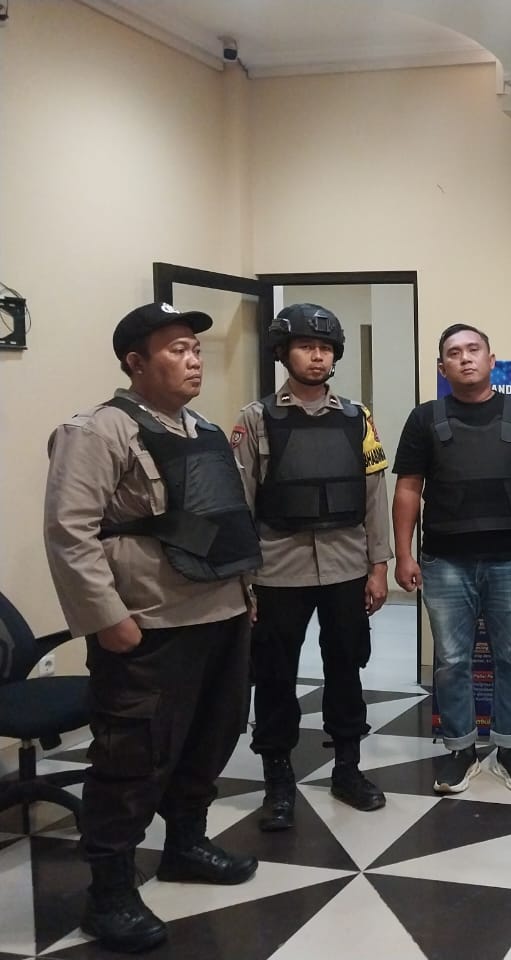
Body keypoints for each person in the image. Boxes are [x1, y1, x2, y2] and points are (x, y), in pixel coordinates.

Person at [43, 303, 262, 953]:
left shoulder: (205, 430)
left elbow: (225, 520)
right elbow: (70, 534)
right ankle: (109, 894)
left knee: (210, 739)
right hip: (149, 623)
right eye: (176, 350)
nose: (193, 360)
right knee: (131, 757)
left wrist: (245, 593)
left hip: (221, 614)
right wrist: (107, 619)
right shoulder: (96, 432)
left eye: (195, 348)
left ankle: (185, 845)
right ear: (135, 363)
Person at [231, 303, 392, 832]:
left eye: (325, 348)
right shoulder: (256, 419)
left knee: (346, 666)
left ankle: (348, 768)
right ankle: (278, 779)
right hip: (277, 568)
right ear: (284, 353)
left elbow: (374, 493)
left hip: (346, 564)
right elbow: (240, 503)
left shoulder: (357, 417)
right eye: (306, 346)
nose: (317, 356)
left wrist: (378, 565)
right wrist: (244, 581)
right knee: (274, 675)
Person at [392, 323, 511, 794]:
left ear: (491, 360)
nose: (465, 358)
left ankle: (509, 748)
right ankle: (460, 750)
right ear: (441, 366)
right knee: (451, 661)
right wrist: (403, 553)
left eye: (474, 350)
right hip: (445, 562)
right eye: (454, 352)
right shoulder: (425, 418)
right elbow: (408, 488)